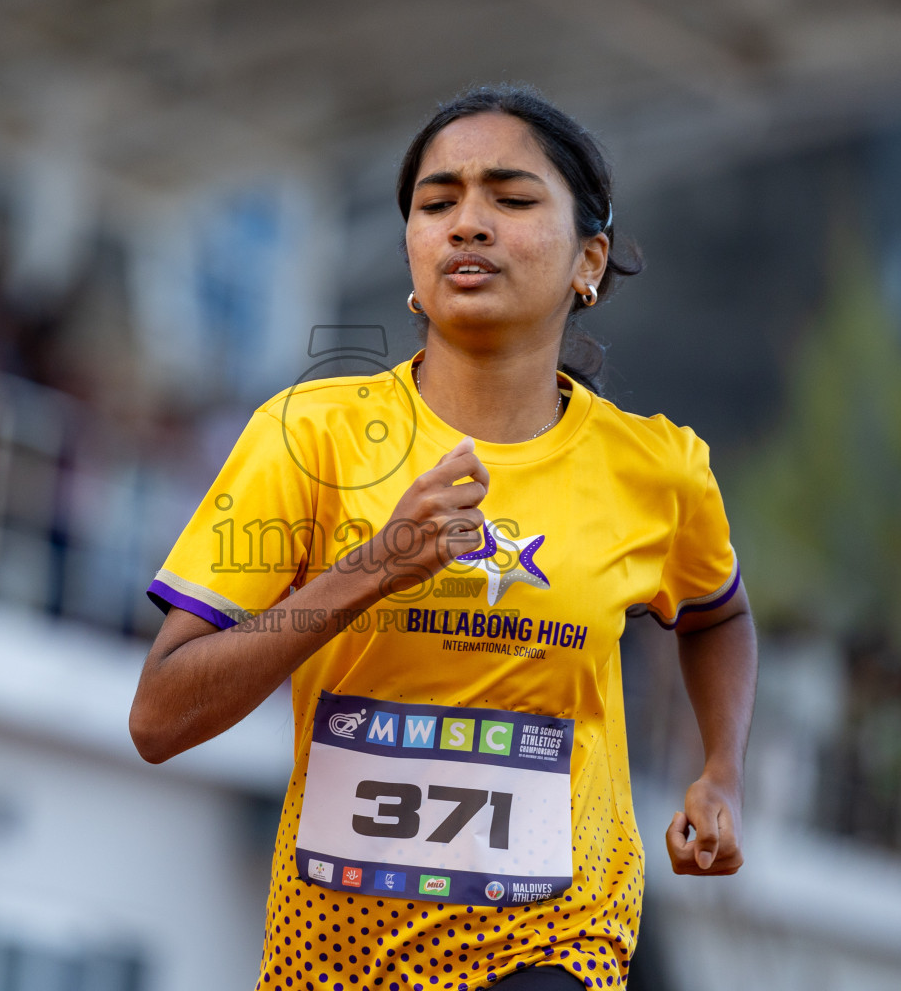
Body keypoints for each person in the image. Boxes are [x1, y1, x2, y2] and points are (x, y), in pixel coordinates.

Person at [130, 84, 758, 990]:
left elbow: (717, 615)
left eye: (510, 198)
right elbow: (159, 716)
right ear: (413, 254)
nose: (468, 223)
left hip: (558, 947)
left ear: (591, 258)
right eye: (438, 202)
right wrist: (374, 568)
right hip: (333, 958)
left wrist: (721, 771)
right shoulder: (307, 435)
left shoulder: (658, 469)